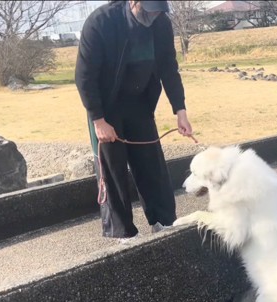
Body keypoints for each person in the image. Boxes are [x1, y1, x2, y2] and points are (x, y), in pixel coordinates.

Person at [75, 0, 193, 242]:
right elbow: (84, 77)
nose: (153, 17)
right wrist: (98, 120)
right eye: (148, 11)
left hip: (139, 103)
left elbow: (169, 67)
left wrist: (180, 109)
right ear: (133, 2)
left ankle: (164, 220)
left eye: (158, 12)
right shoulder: (100, 23)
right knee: (112, 170)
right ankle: (123, 233)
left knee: (152, 164)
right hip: (105, 107)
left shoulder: (160, 23)